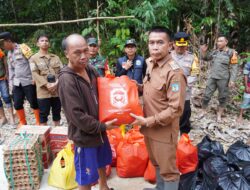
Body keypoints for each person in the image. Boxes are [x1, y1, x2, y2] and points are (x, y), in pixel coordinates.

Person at [58, 34, 118, 190]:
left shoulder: (90, 69)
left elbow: (105, 90)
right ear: (66, 54)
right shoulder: (67, 80)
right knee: (86, 177)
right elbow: (76, 115)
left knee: (102, 161)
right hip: (84, 136)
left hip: (99, 131)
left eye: (86, 50)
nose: (84, 56)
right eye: (77, 52)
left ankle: (104, 187)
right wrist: (102, 126)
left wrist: (123, 86)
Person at [130, 26, 187, 190]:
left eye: (160, 42)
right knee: (156, 162)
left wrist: (149, 121)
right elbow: (154, 89)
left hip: (163, 130)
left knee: (168, 170)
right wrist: (139, 87)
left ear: (170, 45)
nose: (155, 46)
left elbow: (176, 109)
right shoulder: (150, 63)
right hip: (148, 126)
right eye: (151, 42)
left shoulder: (174, 73)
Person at [0, 32, 40, 127]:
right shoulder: (9, 53)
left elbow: (32, 61)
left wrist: (35, 77)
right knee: (17, 103)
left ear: (9, 41)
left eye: (3, 44)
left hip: (28, 81)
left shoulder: (23, 47)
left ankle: (38, 122)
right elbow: (11, 69)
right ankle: (23, 122)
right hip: (17, 83)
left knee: (33, 102)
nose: (2, 47)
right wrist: (10, 85)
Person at [200, 34, 238, 122]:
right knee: (206, 95)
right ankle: (203, 111)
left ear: (226, 42)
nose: (218, 43)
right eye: (218, 41)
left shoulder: (232, 52)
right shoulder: (215, 52)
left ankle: (219, 115)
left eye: (221, 41)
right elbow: (206, 58)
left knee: (222, 97)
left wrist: (232, 80)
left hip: (223, 79)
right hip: (212, 77)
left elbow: (234, 67)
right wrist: (204, 51)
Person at [29, 34, 63, 126]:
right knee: (43, 115)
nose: (44, 42)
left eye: (46, 41)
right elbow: (34, 73)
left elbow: (62, 72)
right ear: (37, 44)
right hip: (43, 91)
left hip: (56, 90)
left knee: (57, 113)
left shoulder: (56, 57)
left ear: (49, 43)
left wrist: (56, 83)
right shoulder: (33, 58)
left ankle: (58, 133)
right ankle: (44, 137)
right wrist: (46, 84)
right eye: (42, 41)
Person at [171, 32, 199, 134]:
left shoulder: (192, 58)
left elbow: (194, 74)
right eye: (178, 46)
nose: (181, 48)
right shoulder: (167, 56)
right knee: (170, 109)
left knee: (185, 111)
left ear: (187, 45)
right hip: (170, 89)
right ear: (173, 44)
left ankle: (184, 134)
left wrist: (184, 83)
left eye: (183, 46)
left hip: (185, 90)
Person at [0, 48, 15, 126]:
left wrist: (7, 73)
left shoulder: (0, 51)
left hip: (2, 78)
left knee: (6, 97)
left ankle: (11, 117)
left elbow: (5, 62)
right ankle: (3, 118)